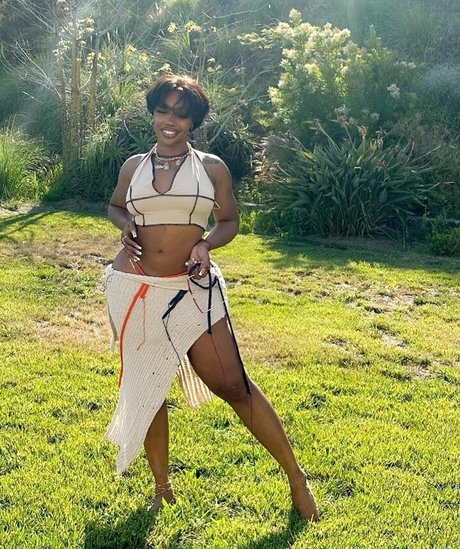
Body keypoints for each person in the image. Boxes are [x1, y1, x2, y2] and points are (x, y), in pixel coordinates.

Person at [104, 74, 319, 521]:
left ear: (194, 121)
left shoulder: (211, 167)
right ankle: (162, 488)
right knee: (147, 388)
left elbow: (229, 221)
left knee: (234, 385)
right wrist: (124, 226)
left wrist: (206, 244)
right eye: (163, 111)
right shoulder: (133, 166)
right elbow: (116, 206)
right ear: (152, 114)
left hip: (191, 289)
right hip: (135, 287)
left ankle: (297, 478)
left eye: (181, 115)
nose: (170, 121)